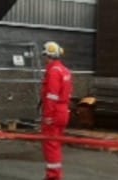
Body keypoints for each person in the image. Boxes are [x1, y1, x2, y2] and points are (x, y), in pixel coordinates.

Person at [40, 41, 72, 180]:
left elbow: (51, 95)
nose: (44, 59)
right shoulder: (65, 70)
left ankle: (53, 176)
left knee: (51, 144)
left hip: (54, 112)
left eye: (45, 56)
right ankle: (54, 175)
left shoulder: (53, 71)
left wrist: (48, 115)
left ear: (48, 56)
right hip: (63, 111)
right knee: (56, 144)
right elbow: (67, 92)